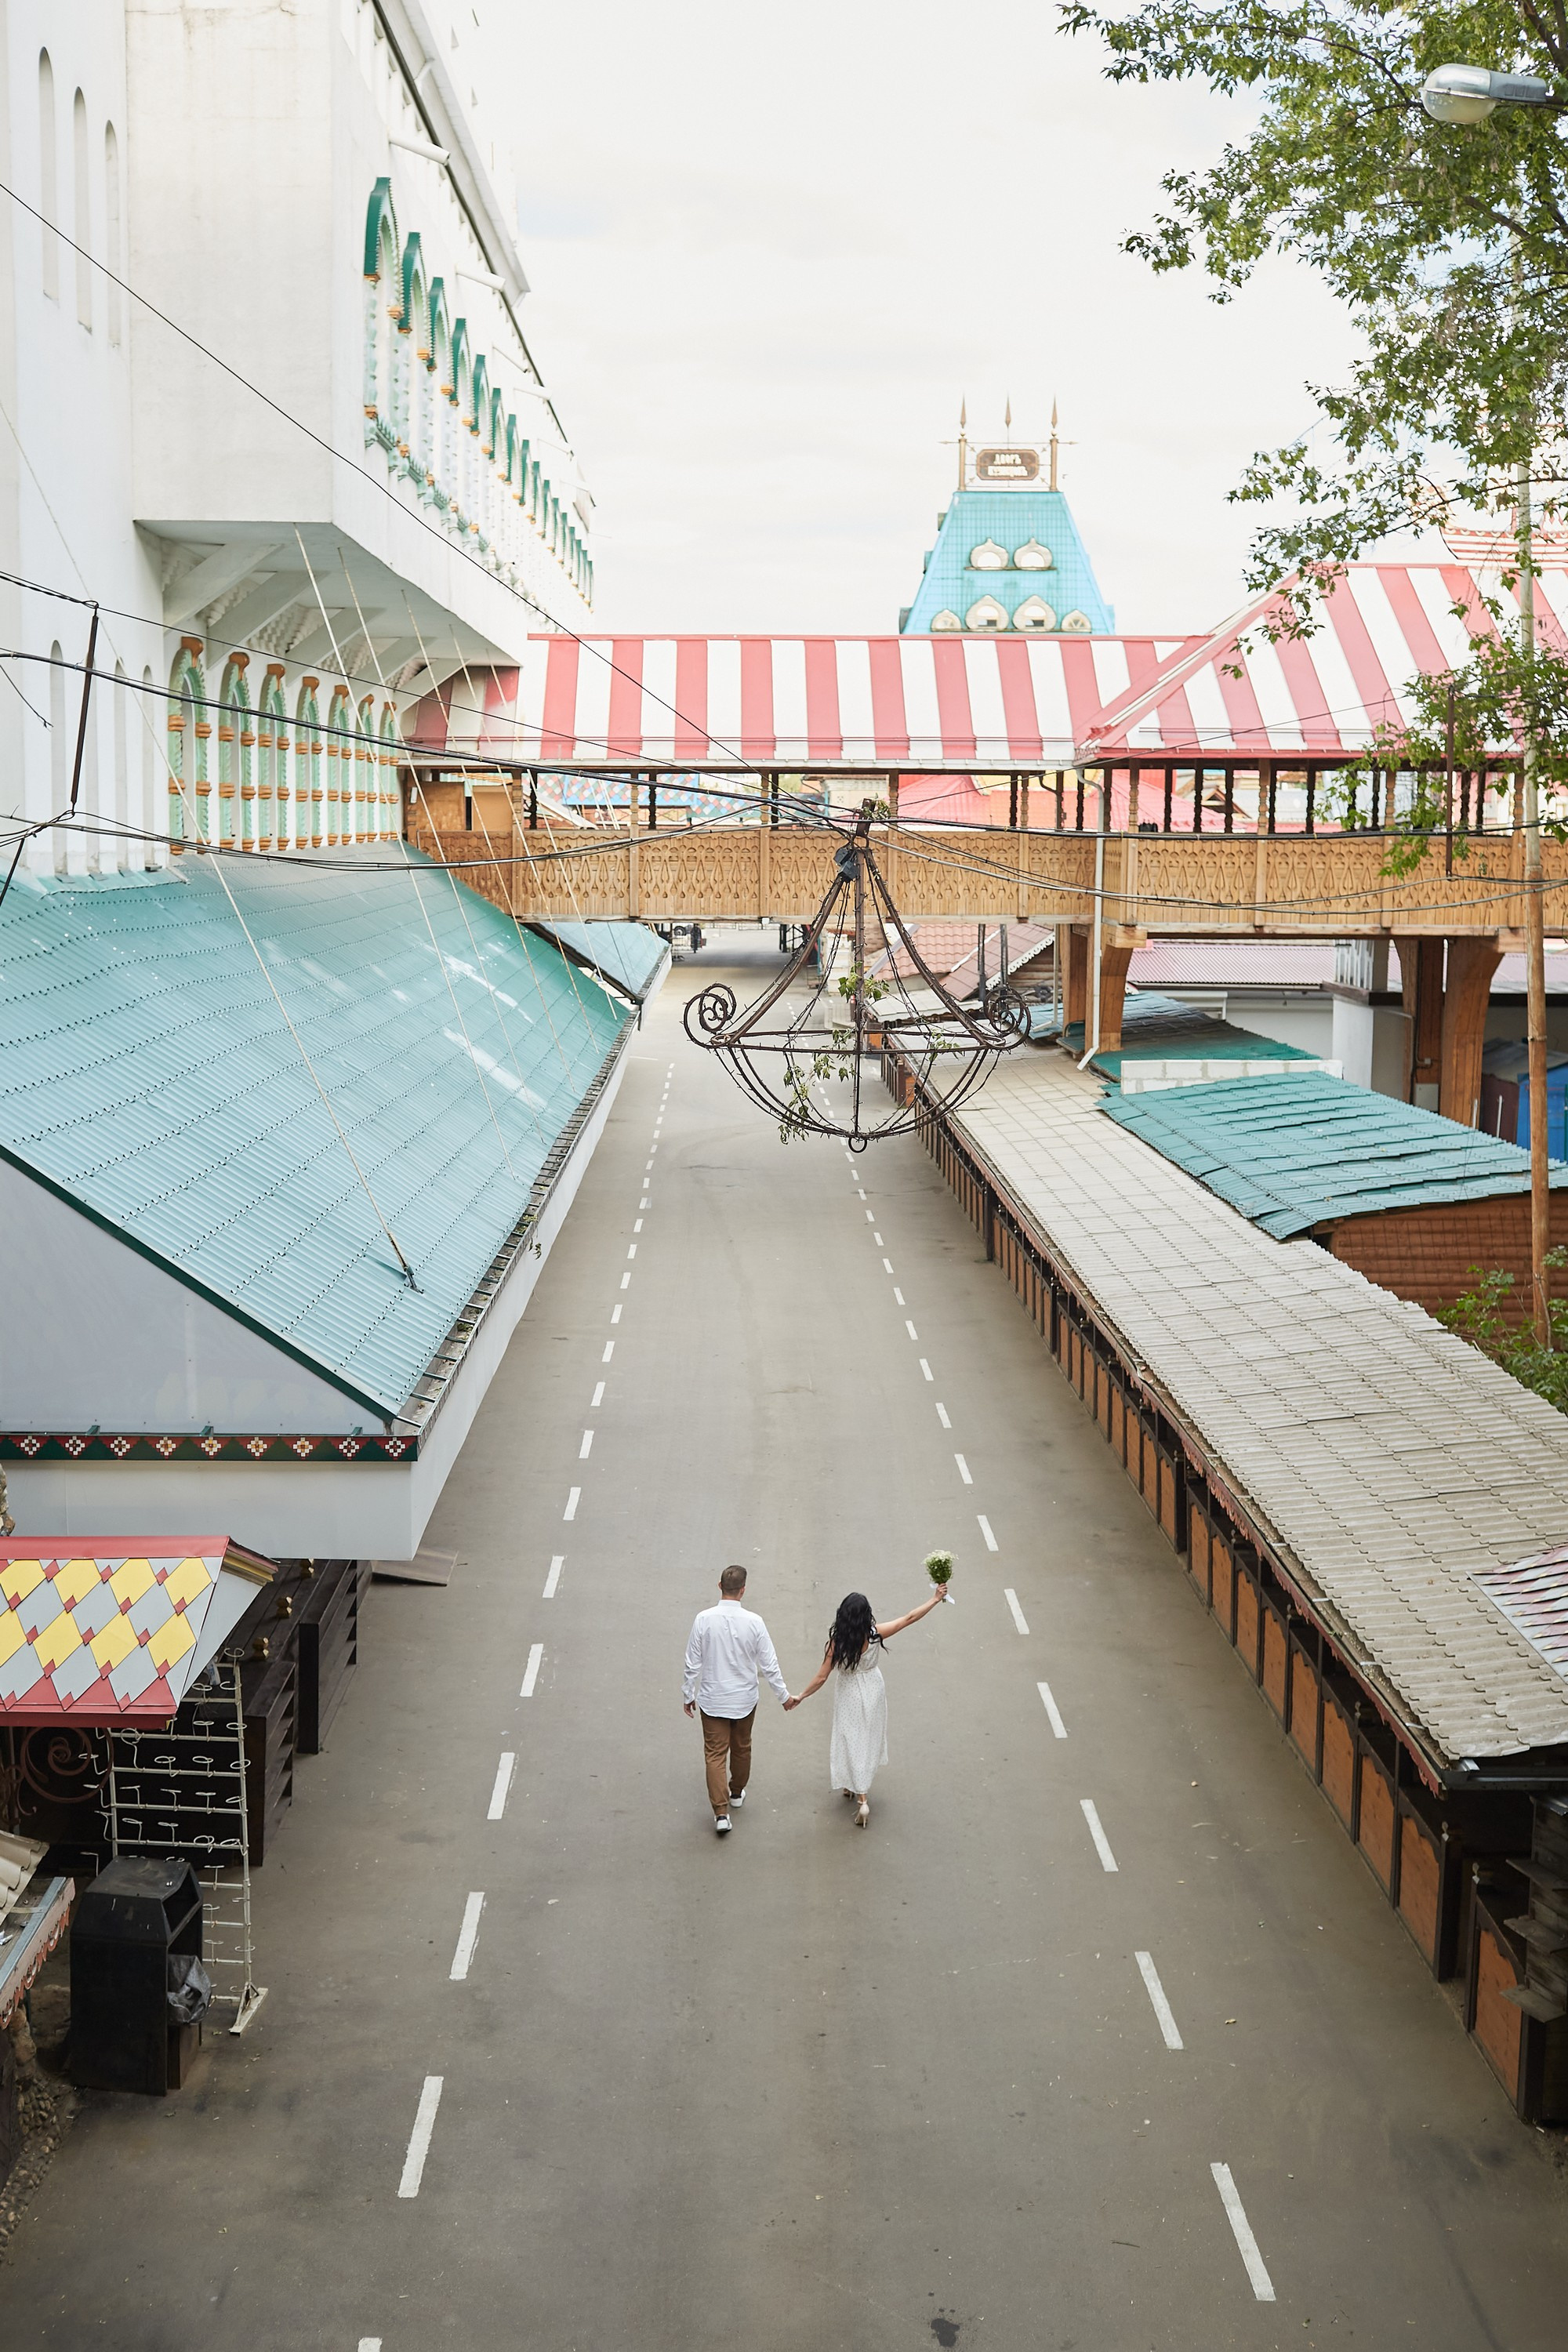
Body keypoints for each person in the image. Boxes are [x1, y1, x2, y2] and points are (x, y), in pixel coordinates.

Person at [784, 1583, 949, 1828]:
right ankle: (854, 1786)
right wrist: (935, 1599)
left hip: (849, 1692)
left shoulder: (836, 1644)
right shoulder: (875, 1634)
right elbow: (909, 1618)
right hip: (873, 1688)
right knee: (866, 1739)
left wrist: (801, 1696)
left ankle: (861, 1797)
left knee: (851, 1739)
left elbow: (821, 1678)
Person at [682, 1565, 791, 1835]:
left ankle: (721, 1814)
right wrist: (784, 1697)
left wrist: (688, 1694)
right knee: (742, 1747)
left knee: (714, 1754)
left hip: (712, 1700)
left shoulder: (703, 1619)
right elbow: (769, 1664)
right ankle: (737, 1792)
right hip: (744, 1700)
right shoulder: (755, 1622)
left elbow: (692, 1662)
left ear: (720, 1587)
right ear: (743, 1590)